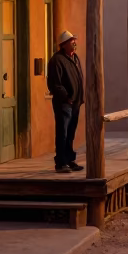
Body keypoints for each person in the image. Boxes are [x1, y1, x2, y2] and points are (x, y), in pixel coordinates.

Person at [47, 30, 85, 173]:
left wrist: (79, 98)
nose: (74, 42)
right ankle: (61, 163)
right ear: (63, 45)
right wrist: (66, 98)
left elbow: (79, 78)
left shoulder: (75, 58)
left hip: (75, 103)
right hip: (65, 104)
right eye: (71, 41)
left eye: (74, 40)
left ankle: (70, 160)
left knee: (70, 133)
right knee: (62, 132)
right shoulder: (56, 60)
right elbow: (54, 84)